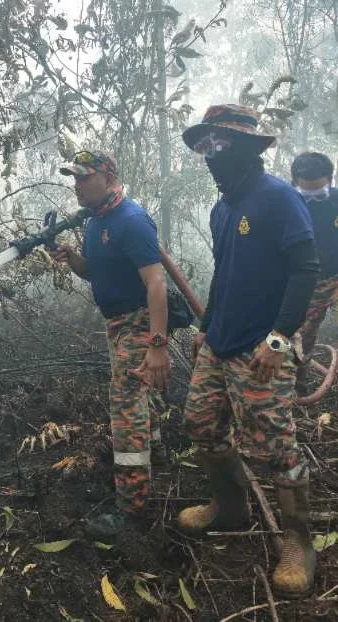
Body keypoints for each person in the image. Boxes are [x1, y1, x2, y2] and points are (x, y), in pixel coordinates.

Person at [179, 104, 319, 599]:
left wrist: (280, 338)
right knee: (200, 424)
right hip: (220, 341)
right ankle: (230, 507)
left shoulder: (278, 197)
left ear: (245, 147)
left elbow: (306, 269)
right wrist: (205, 324)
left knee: (277, 448)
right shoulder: (222, 208)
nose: (211, 155)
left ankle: (299, 543)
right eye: (204, 146)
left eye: (219, 145)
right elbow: (225, 272)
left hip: (263, 344)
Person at [49, 149, 171, 539]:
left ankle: (132, 507)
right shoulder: (96, 221)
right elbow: (96, 274)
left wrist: (157, 345)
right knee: (139, 399)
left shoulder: (131, 220)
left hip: (139, 323)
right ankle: (156, 457)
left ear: (107, 177)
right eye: (74, 178)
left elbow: (156, 283)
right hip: (118, 324)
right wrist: (72, 258)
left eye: (83, 177)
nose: (76, 186)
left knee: (125, 408)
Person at [290, 152, 338, 396]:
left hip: (336, 275)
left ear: (330, 180)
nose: (314, 199)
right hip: (308, 282)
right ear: (294, 183)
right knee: (302, 334)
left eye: (320, 191)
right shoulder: (286, 205)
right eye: (308, 193)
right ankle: (299, 385)